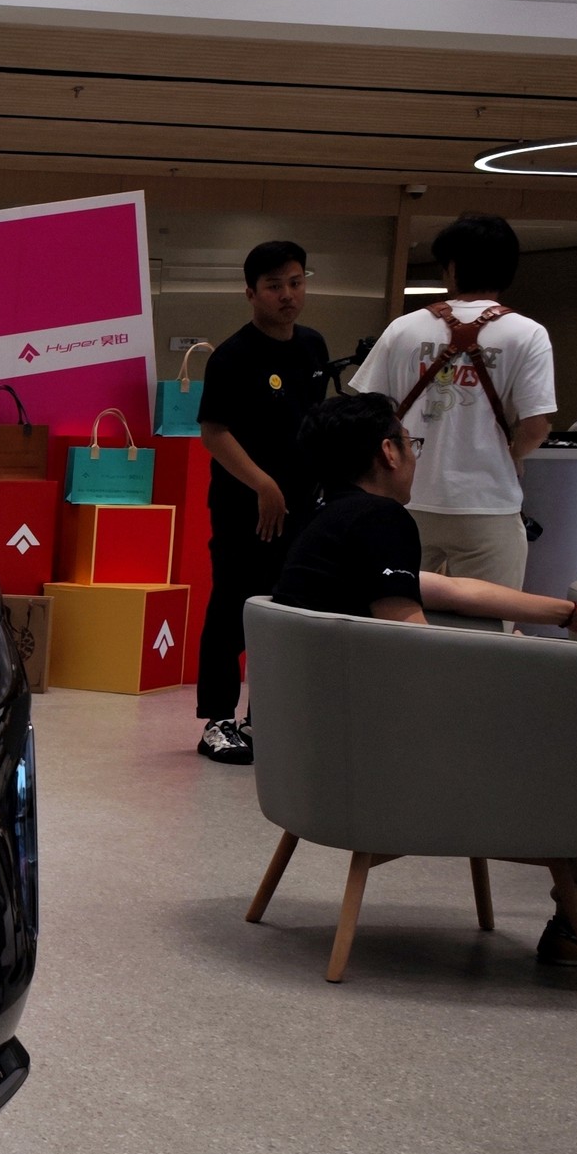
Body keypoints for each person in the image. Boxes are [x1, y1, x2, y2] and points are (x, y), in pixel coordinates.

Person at [272, 394, 577, 971]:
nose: (415, 456)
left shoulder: (327, 524)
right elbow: (411, 647)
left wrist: (570, 614)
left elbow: (450, 589)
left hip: (334, 760)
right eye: (411, 443)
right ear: (388, 452)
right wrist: (521, 663)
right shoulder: (380, 520)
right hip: (400, 763)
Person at [349, 214, 555, 593]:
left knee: (393, 611)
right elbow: (536, 427)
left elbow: (366, 413)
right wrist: (512, 454)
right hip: (488, 503)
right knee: (489, 619)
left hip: (405, 498)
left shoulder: (404, 328)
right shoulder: (528, 335)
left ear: (452, 267)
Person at [193, 240, 330, 765]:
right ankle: (218, 719)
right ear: (251, 293)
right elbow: (214, 432)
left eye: (295, 282)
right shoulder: (233, 356)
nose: (287, 295)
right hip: (243, 505)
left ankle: (261, 716)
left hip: (303, 505)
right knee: (233, 605)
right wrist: (263, 486)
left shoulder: (313, 346)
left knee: (285, 606)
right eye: (274, 286)